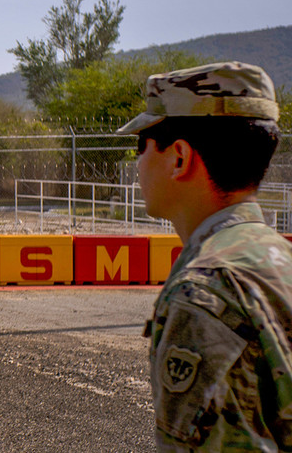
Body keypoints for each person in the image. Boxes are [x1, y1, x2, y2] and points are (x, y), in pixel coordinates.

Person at [117, 61, 292, 450]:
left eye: (141, 145)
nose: (138, 163)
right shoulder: (279, 258)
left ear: (179, 157)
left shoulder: (204, 294)